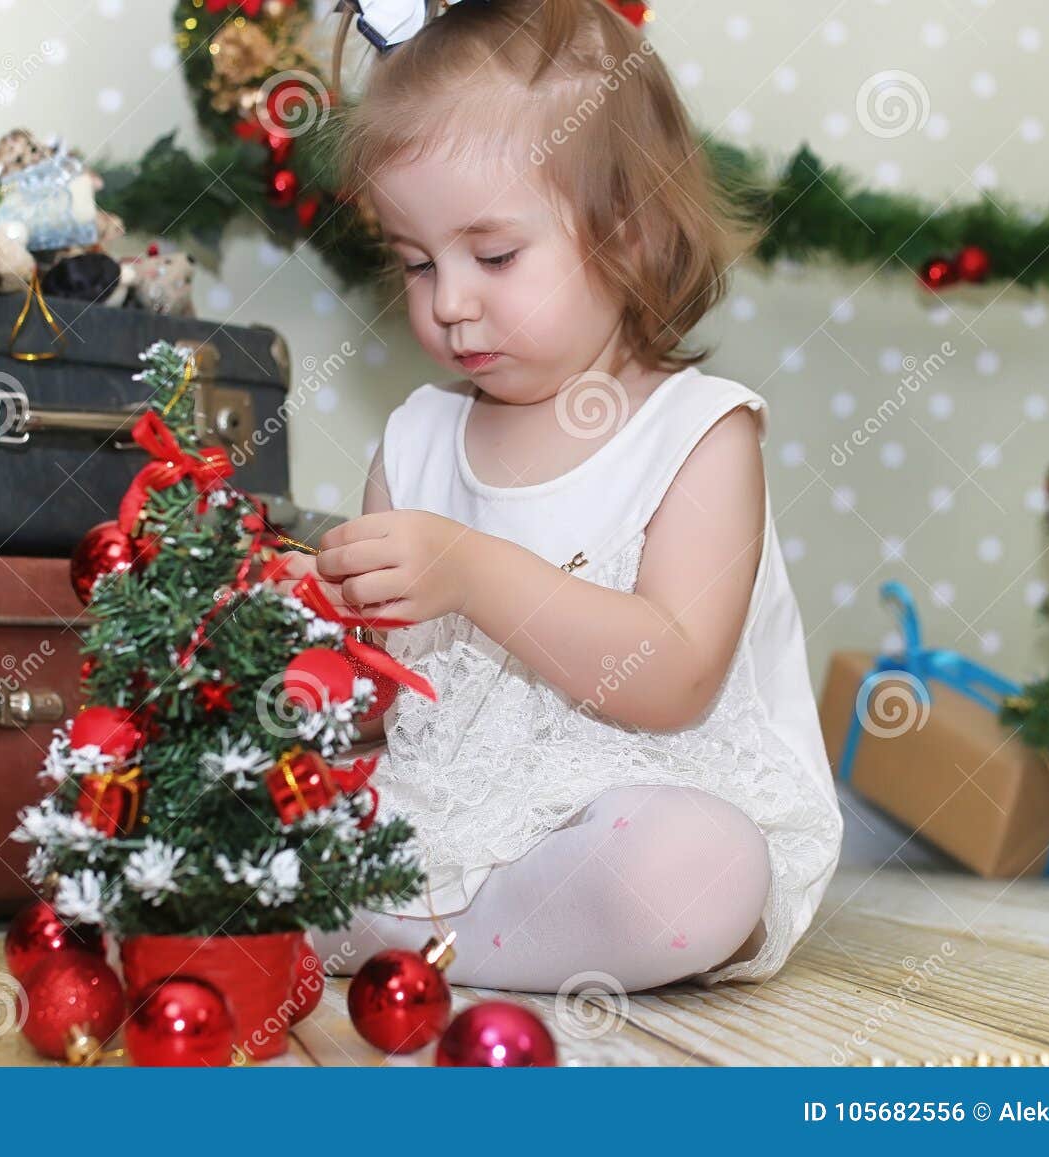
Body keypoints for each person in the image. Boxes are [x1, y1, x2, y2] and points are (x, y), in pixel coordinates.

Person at [281, 0, 842, 994]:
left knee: (693, 865)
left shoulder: (701, 432)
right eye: (417, 262)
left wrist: (472, 568)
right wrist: (313, 619)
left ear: (627, 235)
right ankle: (439, 924)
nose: (449, 299)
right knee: (258, 799)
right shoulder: (416, 437)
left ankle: (418, 941)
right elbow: (387, 689)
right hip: (454, 811)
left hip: (639, 806)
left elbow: (671, 678)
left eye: (492, 255)